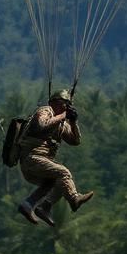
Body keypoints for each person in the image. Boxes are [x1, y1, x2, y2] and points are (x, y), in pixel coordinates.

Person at [17, 89, 94, 227]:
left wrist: (73, 121)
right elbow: (42, 124)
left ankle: (36, 206)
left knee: (58, 182)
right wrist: (63, 115)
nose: (65, 107)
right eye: (63, 104)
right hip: (32, 159)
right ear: (54, 103)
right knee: (64, 173)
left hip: (38, 165)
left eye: (67, 106)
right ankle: (74, 199)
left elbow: (75, 141)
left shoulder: (61, 124)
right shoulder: (45, 111)